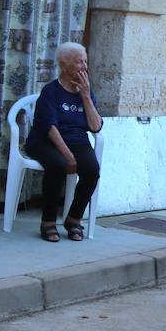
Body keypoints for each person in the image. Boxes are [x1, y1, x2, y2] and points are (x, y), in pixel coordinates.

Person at [25, 41, 104, 242]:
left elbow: (95, 127)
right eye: (79, 62)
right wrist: (68, 156)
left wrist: (86, 96)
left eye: (86, 62)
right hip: (46, 141)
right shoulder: (50, 92)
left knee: (92, 170)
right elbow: (50, 128)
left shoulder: (86, 92)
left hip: (76, 140)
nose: (85, 67)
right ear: (64, 64)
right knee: (57, 165)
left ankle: (73, 219)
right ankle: (48, 222)